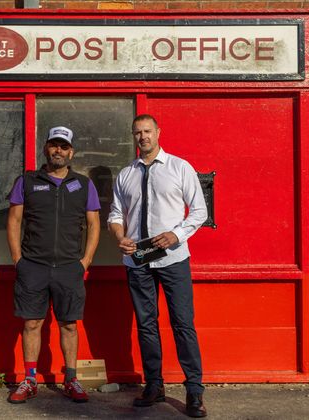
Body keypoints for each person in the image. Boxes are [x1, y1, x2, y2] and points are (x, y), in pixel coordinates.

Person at [108, 114, 208, 417]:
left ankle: (194, 391)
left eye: (148, 131)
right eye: (137, 132)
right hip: (137, 260)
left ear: (158, 133)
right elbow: (115, 213)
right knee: (146, 325)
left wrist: (175, 234)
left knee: (183, 324)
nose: (143, 137)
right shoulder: (126, 174)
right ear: (133, 136)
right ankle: (154, 385)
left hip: (173, 259)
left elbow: (199, 211)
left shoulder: (180, 167)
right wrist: (120, 236)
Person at [6, 126, 101, 404]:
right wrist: (17, 259)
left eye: (63, 146)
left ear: (71, 152)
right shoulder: (27, 181)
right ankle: (30, 379)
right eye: (53, 145)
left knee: (69, 324)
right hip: (33, 264)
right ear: (46, 148)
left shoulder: (84, 184)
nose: (58, 151)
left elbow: (94, 224)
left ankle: (71, 379)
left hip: (70, 266)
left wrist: (85, 261)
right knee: (32, 323)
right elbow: (14, 221)